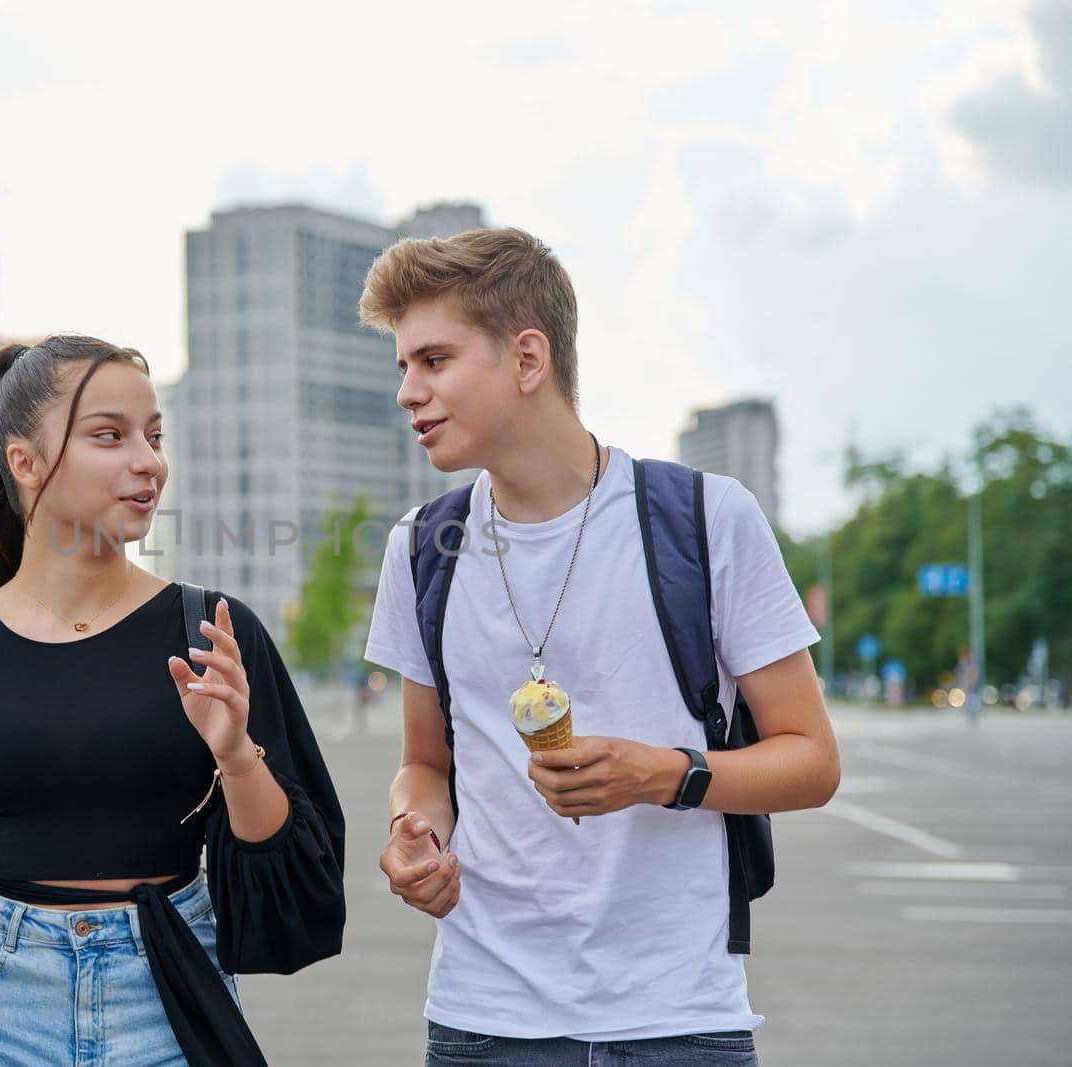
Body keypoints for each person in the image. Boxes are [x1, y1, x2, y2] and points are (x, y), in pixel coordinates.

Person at [358, 229, 841, 1066]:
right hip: (484, 1019)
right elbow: (426, 762)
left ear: (528, 357)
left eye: (433, 359)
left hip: (676, 1019)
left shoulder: (705, 519)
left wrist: (662, 772)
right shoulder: (420, 546)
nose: (407, 390)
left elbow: (812, 761)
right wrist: (414, 829)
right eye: (403, 365)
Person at [0, 335, 346, 1066]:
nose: (148, 460)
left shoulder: (214, 632)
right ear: (24, 461)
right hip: (1, 1008)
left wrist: (237, 755)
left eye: (155, 436)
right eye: (110, 435)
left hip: (169, 1000)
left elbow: (302, 880)